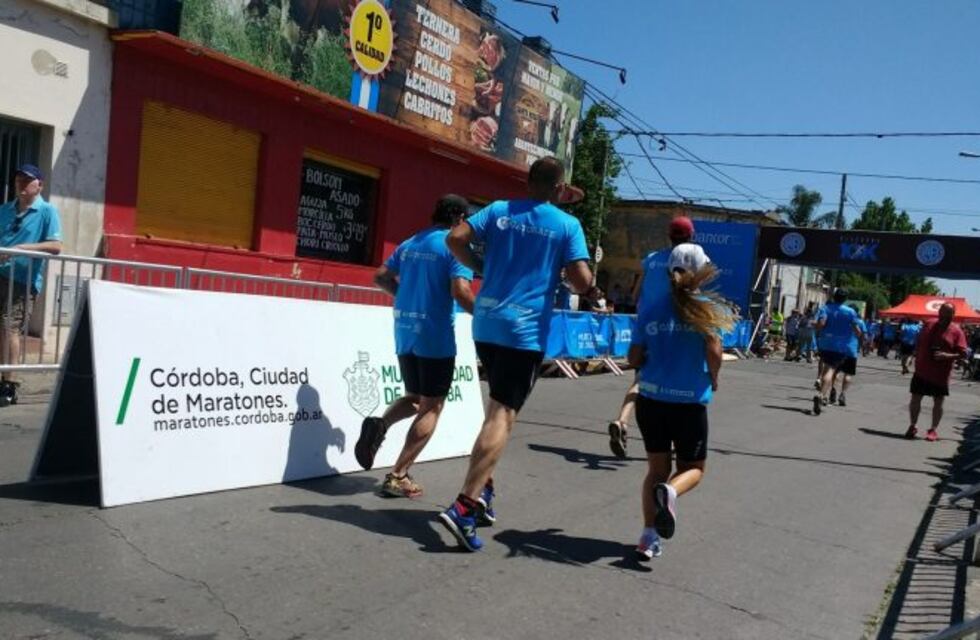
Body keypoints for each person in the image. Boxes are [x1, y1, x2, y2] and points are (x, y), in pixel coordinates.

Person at [438, 157, 597, 551]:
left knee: (495, 408)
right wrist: (579, 280)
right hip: (523, 331)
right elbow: (581, 280)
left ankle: (485, 487)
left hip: (487, 323)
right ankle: (464, 505)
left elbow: (454, 239)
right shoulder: (566, 225)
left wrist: (481, 266)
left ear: (528, 182)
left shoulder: (498, 210)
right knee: (503, 415)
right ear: (559, 188)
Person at [354, 195, 475, 497]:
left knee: (413, 397)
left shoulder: (410, 243)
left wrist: (404, 295)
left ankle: (379, 425)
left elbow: (380, 277)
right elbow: (461, 292)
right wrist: (487, 315)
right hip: (434, 335)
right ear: (459, 218)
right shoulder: (454, 246)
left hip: (405, 331)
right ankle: (398, 475)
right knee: (432, 405)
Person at [627, 243, 735, 560]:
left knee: (655, 470)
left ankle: (648, 537)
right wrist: (713, 377)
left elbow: (633, 356)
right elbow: (714, 351)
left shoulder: (652, 307)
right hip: (689, 403)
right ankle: (672, 492)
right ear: (701, 272)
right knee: (693, 469)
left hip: (651, 400)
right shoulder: (707, 309)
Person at [606, 216, 699, 459]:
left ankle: (622, 420)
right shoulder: (693, 262)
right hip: (677, 329)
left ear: (669, 236)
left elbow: (636, 294)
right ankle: (670, 443)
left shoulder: (652, 259)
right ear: (691, 238)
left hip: (648, 326)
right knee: (672, 384)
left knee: (642, 379)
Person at [0, 164, 63, 406]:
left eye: (28, 181)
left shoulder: (47, 211)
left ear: (40, 185)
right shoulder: (5, 210)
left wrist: (21, 249)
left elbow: (56, 247)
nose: (22, 184)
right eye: (18, 180)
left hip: (22, 280)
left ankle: (10, 383)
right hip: (1, 274)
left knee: (9, 328)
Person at [904, 303, 967, 441]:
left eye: (947, 314)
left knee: (938, 402)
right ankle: (912, 425)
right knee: (915, 399)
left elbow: (963, 354)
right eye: (942, 313)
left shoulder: (957, 331)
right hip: (921, 370)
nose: (943, 317)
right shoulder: (928, 324)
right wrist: (912, 358)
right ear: (939, 312)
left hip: (940, 374)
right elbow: (919, 342)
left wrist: (947, 355)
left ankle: (933, 430)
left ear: (953, 315)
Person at [812, 288, 863, 415]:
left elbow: (821, 324)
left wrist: (815, 325)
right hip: (841, 346)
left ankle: (823, 394)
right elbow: (857, 331)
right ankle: (820, 395)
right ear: (845, 299)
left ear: (834, 296)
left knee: (825, 368)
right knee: (830, 370)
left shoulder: (826, 308)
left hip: (825, 343)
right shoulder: (850, 312)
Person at [827, 304, 866, 407]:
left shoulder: (843, 319)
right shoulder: (860, 322)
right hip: (852, 350)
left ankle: (833, 389)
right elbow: (862, 335)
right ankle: (843, 394)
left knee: (836, 371)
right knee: (848, 374)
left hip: (840, 349)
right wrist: (861, 347)